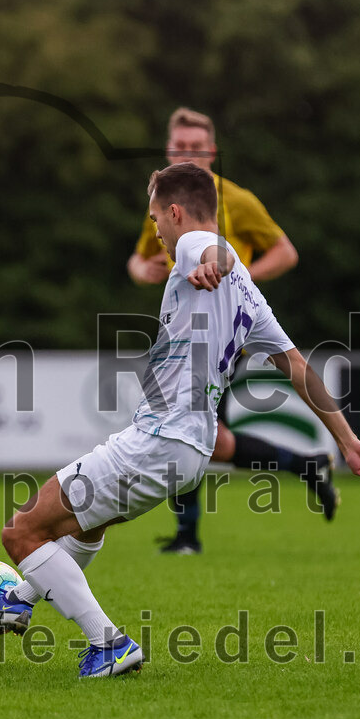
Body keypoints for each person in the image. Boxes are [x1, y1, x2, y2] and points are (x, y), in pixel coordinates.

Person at [0, 163, 360, 678]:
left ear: (175, 211)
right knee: (89, 524)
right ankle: (18, 599)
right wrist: (347, 441)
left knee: (20, 533)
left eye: (155, 220)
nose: (156, 233)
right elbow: (299, 366)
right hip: (191, 451)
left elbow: (214, 248)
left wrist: (216, 257)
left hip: (160, 438)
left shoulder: (198, 248)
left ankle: (108, 644)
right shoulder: (249, 296)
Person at [128, 107, 329, 555]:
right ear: (169, 150)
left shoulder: (236, 200)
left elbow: (284, 252)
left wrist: (235, 279)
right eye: (180, 147)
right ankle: (305, 466)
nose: (189, 154)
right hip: (182, 327)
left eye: (196, 147)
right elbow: (140, 259)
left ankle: (187, 535)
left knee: (186, 423)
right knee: (209, 436)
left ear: (213, 152)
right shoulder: (164, 204)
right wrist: (144, 270)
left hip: (221, 333)